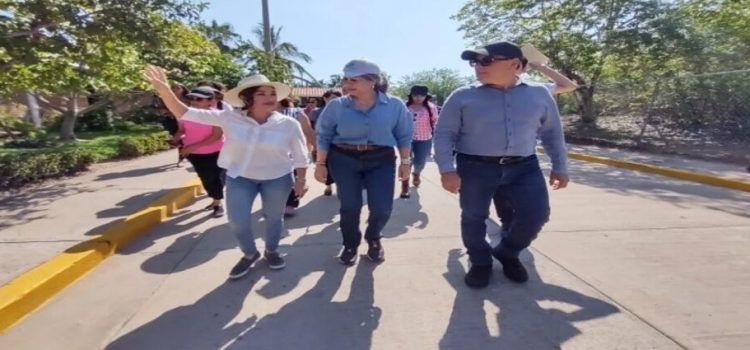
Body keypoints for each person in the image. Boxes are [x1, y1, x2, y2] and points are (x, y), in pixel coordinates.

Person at [144, 66, 309, 279]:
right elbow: (184, 112)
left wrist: (301, 179)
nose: (270, 97)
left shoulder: (288, 124)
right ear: (247, 98)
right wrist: (164, 90)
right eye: (261, 93)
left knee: (273, 218)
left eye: (272, 93)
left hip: (277, 178)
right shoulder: (229, 118)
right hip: (240, 177)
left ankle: (272, 251)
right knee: (237, 221)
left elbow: (300, 153)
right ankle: (249, 254)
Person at [433, 41, 569, 288]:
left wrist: (560, 165)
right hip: (475, 167)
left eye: (486, 61)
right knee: (474, 217)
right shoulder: (462, 96)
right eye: (475, 62)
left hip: (524, 167)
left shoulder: (539, 94)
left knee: (536, 215)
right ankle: (480, 262)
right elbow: (444, 134)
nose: (478, 67)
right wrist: (446, 169)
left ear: (515, 64)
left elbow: (552, 133)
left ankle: (507, 252)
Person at [314, 59, 413, 265]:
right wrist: (320, 164)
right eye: (345, 79)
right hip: (344, 159)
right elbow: (323, 135)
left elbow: (404, 135)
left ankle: (374, 237)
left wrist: (405, 162)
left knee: (382, 208)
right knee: (350, 205)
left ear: (373, 81)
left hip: (381, 159)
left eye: (354, 80)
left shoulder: (394, 105)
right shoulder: (336, 106)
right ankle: (350, 243)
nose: (347, 84)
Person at [493, 45, 579, 236]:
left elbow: (569, 86)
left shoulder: (537, 90)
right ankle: (507, 226)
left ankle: (513, 238)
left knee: (534, 210)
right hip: (490, 158)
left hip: (523, 159)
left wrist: (539, 66)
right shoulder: (487, 89)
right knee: (500, 197)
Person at [179, 86, 226, 217]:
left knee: (213, 177)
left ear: (210, 101)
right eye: (192, 98)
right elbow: (182, 130)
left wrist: (191, 147)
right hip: (194, 154)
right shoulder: (185, 115)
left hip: (214, 151)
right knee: (205, 177)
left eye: (199, 99)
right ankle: (215, 198)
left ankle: (217, 203)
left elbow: (216, 135)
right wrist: (177, 138)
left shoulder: (217, 115)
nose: (194, 101)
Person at [278, 97, 316, 217]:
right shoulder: (258, 113)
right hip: (269, 156)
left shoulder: (296, 113)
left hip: (292, 154)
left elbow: (308, 131)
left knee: (292, 179)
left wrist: (318, 149)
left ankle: (290, 204)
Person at [401, 85, 438, 198]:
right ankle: (405, 185)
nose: (418, 98)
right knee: (407, 161)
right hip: (407, 139)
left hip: (424, 139)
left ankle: (416, 174)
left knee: (420, 162)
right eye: (415, 95)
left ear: (426, 96)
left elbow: (436, 122)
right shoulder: (405, 106)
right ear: (411, 95)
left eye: (421, 95)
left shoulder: (431, 108)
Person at [310, 89, 343, 196]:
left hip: (338, 145)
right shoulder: (315, 113)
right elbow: (311, 129)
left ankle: (340, 186)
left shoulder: (344, 112)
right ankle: (328, 186)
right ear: (325, 98)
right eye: (333, 98)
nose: (336, 101)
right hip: (321, 144)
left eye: (339, 98)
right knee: (325, 165)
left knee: (339, 166)